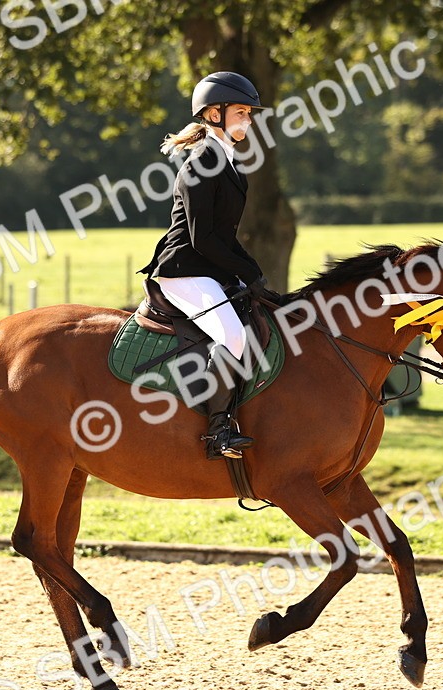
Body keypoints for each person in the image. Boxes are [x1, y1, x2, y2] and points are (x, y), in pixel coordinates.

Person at [141, 71, 274, 461]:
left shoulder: (231, 163)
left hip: (208, 268)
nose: (248, 120)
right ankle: (218, 431)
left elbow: (226, 237)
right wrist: (246, 273)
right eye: (241, 112)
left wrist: (254, 272)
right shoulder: (202, 163)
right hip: (184, 271)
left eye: (249, 113)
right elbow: (202, 240)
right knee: (233, 337)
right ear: (214, 114)